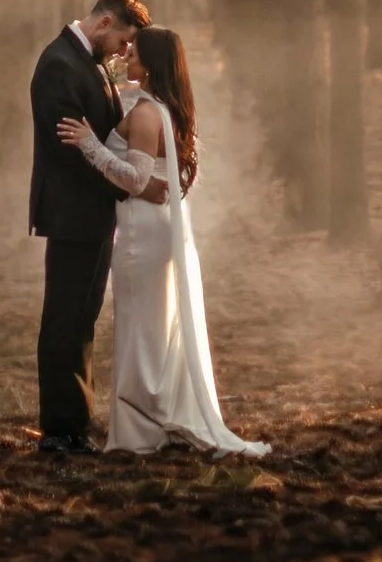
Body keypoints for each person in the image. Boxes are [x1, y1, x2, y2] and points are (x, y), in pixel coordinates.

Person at [56, 25, 268, 458]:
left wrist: (89, 143)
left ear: (150, 64)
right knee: (155, 325)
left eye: (132, 53)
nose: (125, 57)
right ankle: (155, 414)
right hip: (154, 226)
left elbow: (134, 179)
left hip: (140, 232)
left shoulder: (147, 114)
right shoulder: (161, 106)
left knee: (140, 326)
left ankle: (141, 426)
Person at [27, 0, 165, 454]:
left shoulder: (85, 63)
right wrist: (136, 186)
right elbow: (74, 155)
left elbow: (103, 137)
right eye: (124, 42)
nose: (125, 53)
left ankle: (77, 421)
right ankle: (59, 431)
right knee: (65, 318)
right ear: (105, 24)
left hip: (93, 212)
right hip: (72, 213)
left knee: (82, 317)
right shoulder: (58, 67)